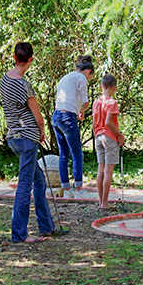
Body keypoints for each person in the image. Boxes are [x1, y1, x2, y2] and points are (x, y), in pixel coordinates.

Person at [0, 42, 55, 243]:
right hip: (27, 138)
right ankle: (19, 235)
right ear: (30, 59)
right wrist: (41, 133)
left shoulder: (5, 80)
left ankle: (47, 226)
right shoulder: (24, 85)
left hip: (13, 137)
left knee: (38, 180)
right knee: (25, 186)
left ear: (14, 57)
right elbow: (38, 118)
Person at [52, 55, 95, 199]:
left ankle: (67, 189)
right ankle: (79, 190)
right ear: (88, 71)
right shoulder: (81, 78)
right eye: (90, 77)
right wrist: (81, 111)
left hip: (57, 116)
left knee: (63, 155)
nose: (88, 80)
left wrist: (77, 111)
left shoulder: (65, 77)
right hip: (68, 118)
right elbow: (85, 102)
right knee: (77, 154)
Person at [92, 74, 124, 210]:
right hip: (109, 137)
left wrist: (95, 136)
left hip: (98, 136)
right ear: (115, 88)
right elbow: (108, 123)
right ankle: (104, 203)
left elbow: (94, 123)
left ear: (101, 86)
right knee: (108, 171)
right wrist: (120, 135)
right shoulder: (112, 103)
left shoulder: (96, 102)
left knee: (101, 170)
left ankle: (101, 202)